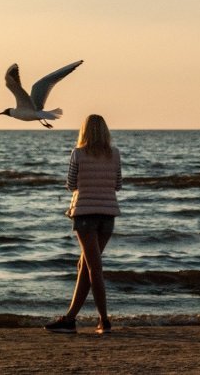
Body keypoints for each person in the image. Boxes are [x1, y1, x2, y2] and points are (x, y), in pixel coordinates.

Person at [44, 114, 122, 335]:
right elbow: (118, 184)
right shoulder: (114, 154)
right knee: (85, 266)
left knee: (93, 268)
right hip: (107, 216)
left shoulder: (77, 154)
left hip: (85, 214)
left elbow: (70, 184)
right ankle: (70, 318)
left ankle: (104, 320)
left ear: (84, 131)